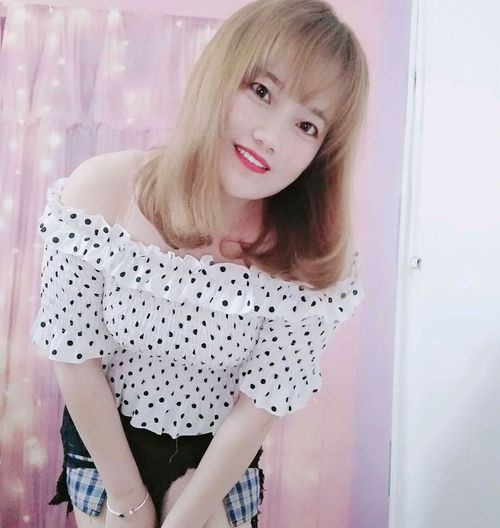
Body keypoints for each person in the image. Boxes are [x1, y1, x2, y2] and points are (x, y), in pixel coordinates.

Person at [30, 0, 369, 526]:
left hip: (218, 464)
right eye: (261, 92)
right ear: (220, 73)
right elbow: (73, 354)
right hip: (105, 448)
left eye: (306, 125)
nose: (270, 137)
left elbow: (260, 405)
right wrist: (129, 498)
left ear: (324, 152)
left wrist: (187, 516)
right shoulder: (103, 192)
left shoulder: (309, 258)